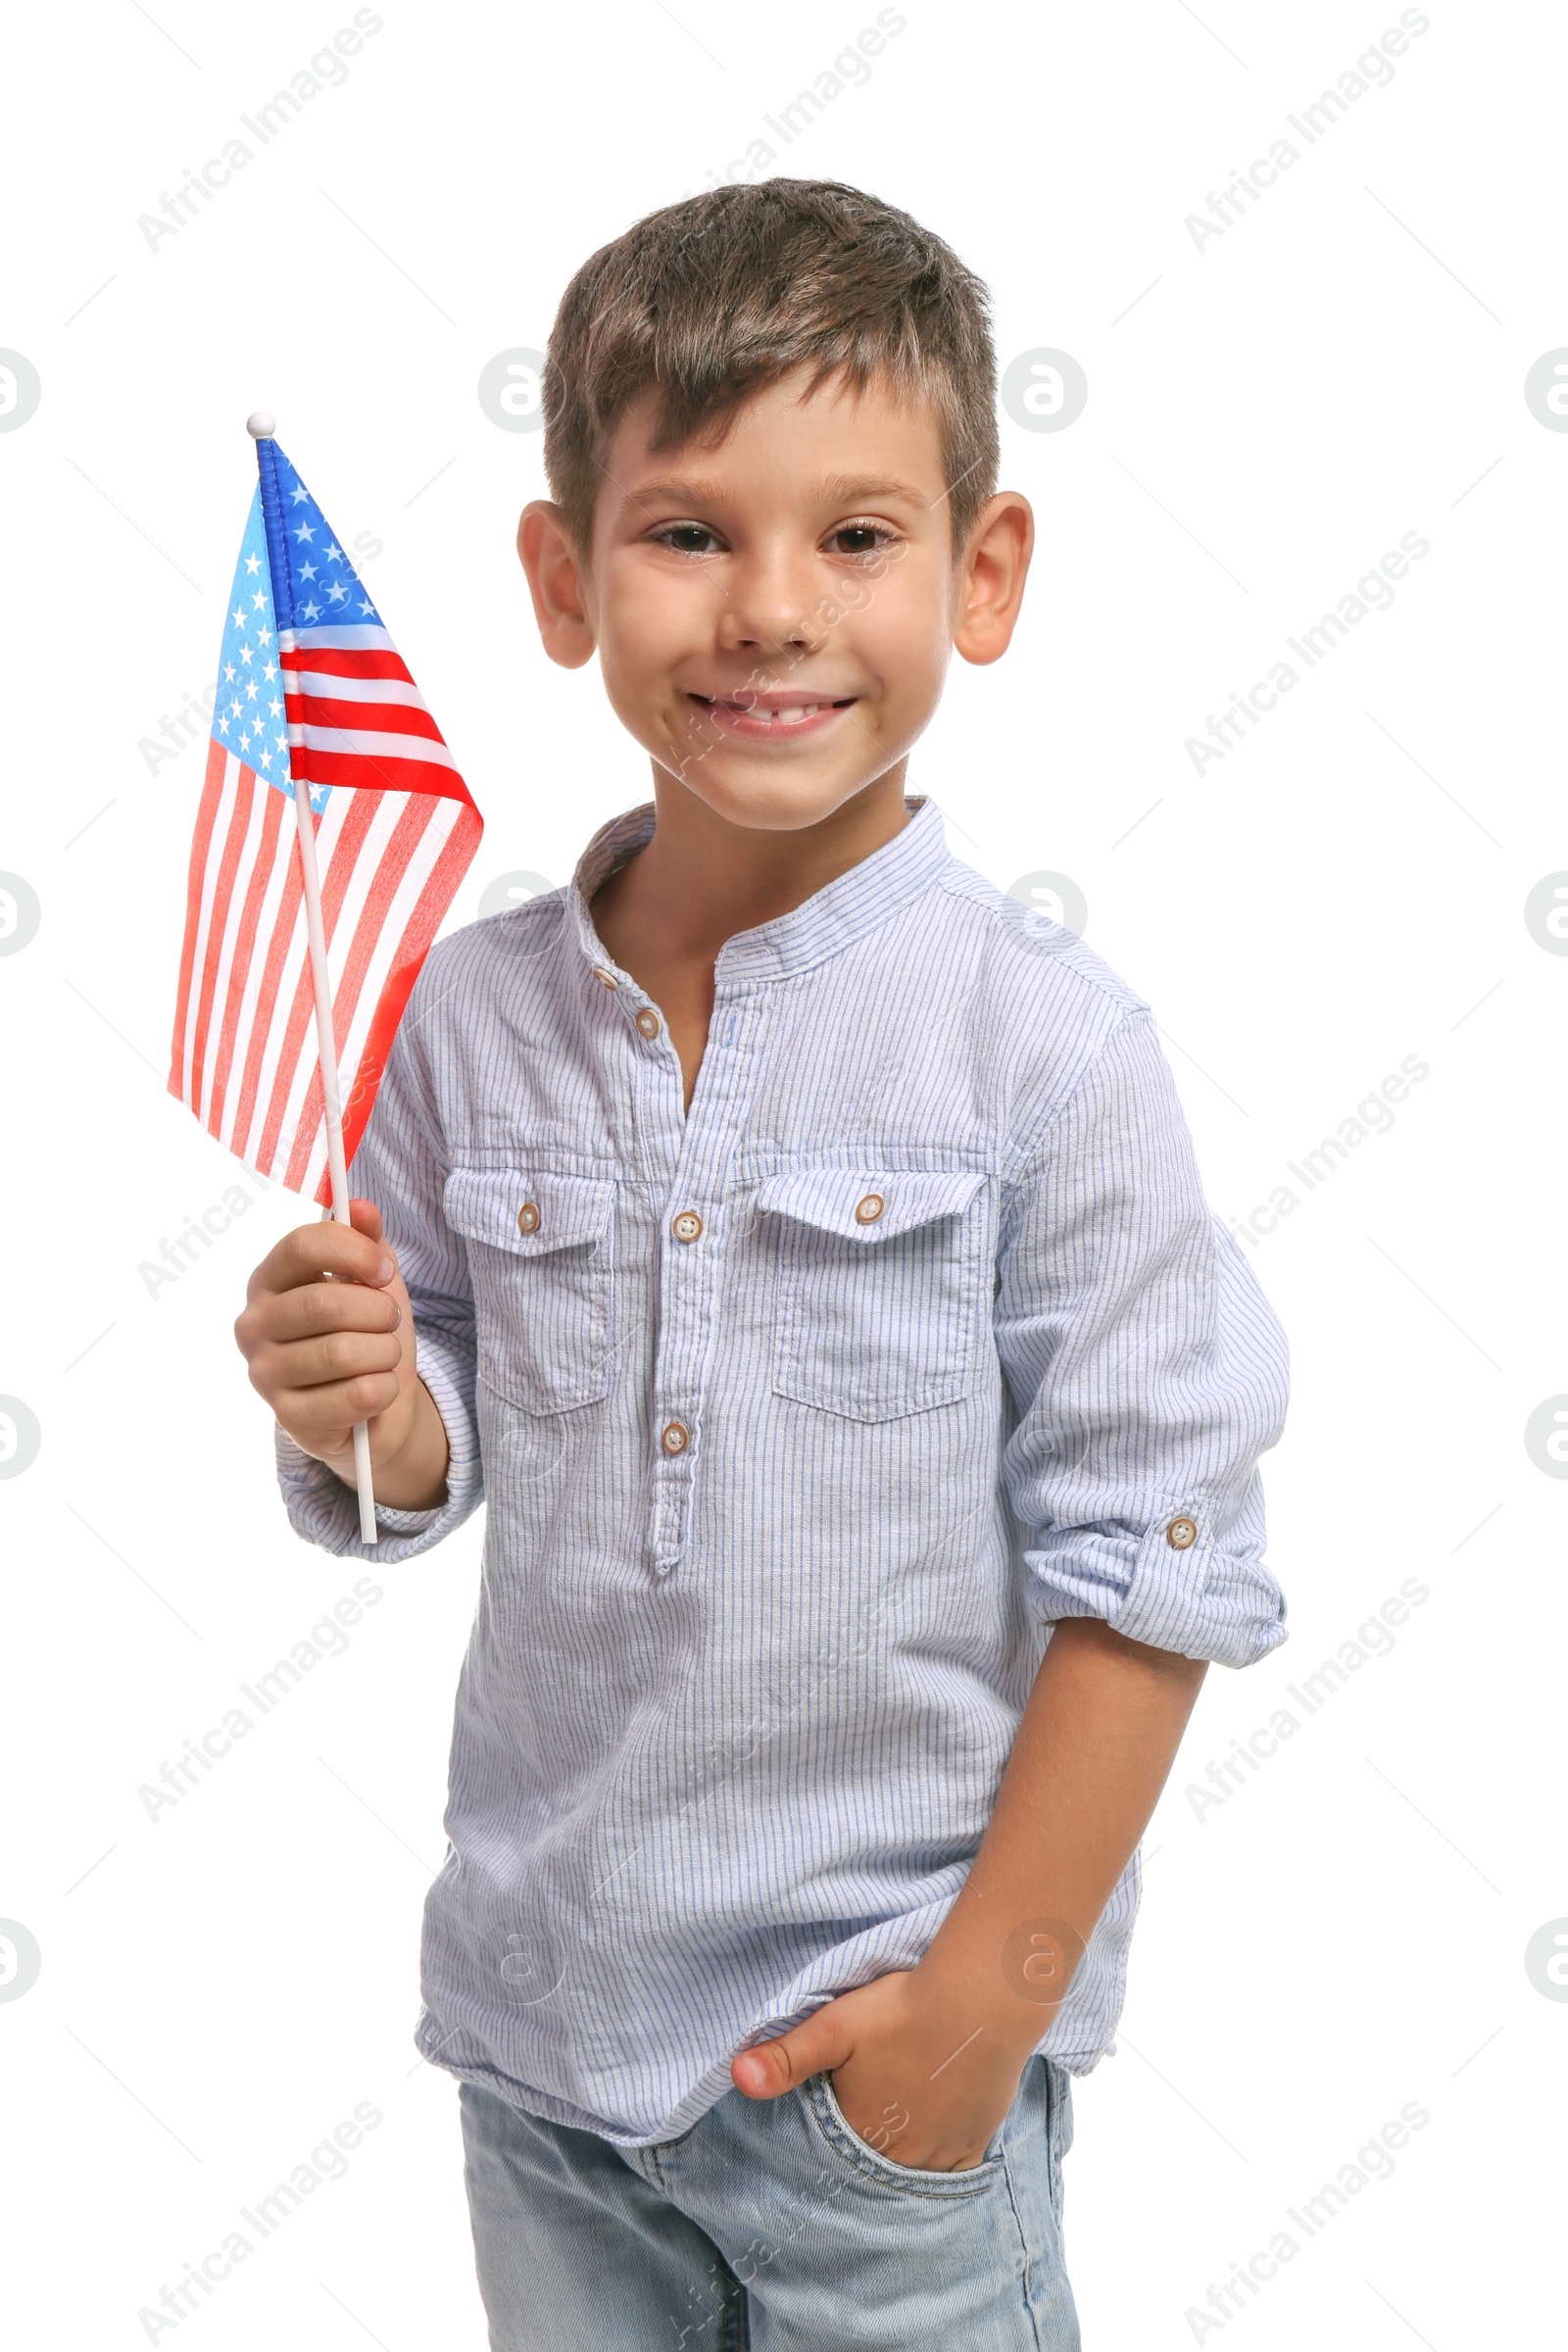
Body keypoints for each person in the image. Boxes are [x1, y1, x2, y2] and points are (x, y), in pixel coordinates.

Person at [234, 177, 1290, 2350]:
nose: (768, 610)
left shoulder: (1043, 1048)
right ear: (563, 574)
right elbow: (417, 1459)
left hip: (869, 2076)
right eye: (688, 531)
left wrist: (966, 2033)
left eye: (858, 536)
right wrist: (364, 1398)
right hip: (540, 2051)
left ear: (979, 574)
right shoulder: (457, 1015)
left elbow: (1155, 1563)